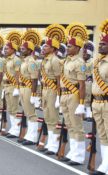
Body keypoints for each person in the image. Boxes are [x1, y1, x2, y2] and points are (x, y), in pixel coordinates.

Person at [59, 22, 88, 165]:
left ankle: (79, 155)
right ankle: (73, 151)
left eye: (69, 46)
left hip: (74, 95)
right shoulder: (66, 61)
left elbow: (82, 85)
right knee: (69, 125)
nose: (67, 48)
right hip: (64, 95)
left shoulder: (80, 62)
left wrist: (82, 104)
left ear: (77, 47)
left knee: (77, 126)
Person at [41, 24, 65, 155]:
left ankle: (54, 145)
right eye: (44, 46)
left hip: (52, 91)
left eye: (46, 46)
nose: (44, 47)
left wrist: (59, 97)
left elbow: (58, 79)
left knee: (54, 118)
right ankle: (51, 143)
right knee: (47, 117)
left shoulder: (55, 60)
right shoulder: (45, 60)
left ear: (53, 48)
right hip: (45, 91)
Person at [91, 19, 108, 175]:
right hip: (97, 102)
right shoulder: (97, 63)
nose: (100, 46)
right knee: (102, 135)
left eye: (103, 44)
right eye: (100, 44)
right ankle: (105, 165)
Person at [19, 29, 41, 145]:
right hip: (23, 88)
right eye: (21, 48)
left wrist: (33, 94)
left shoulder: (31, 62)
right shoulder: (24, 61)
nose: (21, 50)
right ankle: (29, 134)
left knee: (31, 113)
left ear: (29, 50)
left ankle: (32, 137)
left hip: (28, 89)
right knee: (27, 112)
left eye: (23, 49)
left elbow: (34, 79)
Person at [3, 31, 22, 138]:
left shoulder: (17, 60)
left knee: (15, 109)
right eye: (5, 49)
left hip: (13, 86)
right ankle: (13, 128)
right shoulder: (7, 60)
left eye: (7, 49)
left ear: (13, 50)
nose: (5, 50)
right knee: (10, 108)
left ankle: (16, 129)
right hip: (6, 86)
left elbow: (18, 74)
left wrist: (17, 88)